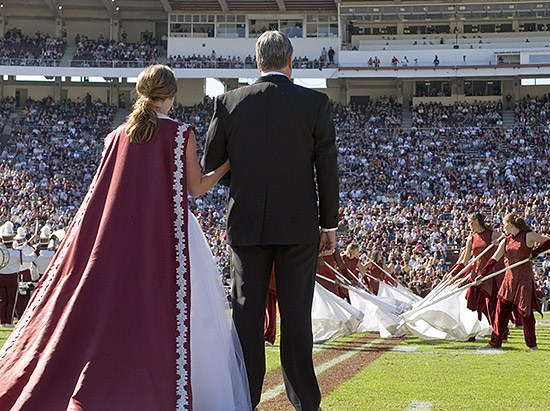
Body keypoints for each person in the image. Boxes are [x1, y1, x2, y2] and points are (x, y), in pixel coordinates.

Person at [0, 65, 251, 410]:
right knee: (184, 318)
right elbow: (196, 188)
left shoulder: (117, 135)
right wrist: (227, 164)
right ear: (172, 95)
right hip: (171, 238)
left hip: (120, 241)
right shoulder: (179, 133)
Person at [202, 31, 338, 411]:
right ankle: (305, 404)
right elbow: (327, 169)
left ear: (257, 62)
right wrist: (329, 224)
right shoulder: (314, 102)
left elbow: (212, 166)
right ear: (290, 62)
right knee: (297, 319)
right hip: (298, 225)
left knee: (246, 318)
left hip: (246, 224)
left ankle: (243, 400)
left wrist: (246, 180)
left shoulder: (229, 102)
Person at [479, 214, 550, 350]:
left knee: (525, 311)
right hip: (509, 278)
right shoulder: (506, 240)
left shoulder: (528, 236)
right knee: (501, 310)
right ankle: (495, 342)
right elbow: (494, 259)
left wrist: (535, 252)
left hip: (524, 278)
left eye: (504, 224)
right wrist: (481, 275)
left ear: (510, 224)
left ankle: (531, 344)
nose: (503, 227)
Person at [459, 213, 504, 327]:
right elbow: (464, 261)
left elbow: (506, 241)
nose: (469, 225)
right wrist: (454, 274)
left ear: (476, 221)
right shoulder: (471, 238)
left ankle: (497, 332)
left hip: (488, 275)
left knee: (490, 305)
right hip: (475, 275)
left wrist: (498, 244)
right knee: (471, 304)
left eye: (470, 222)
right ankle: (473, 331)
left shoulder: (493, 235)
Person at [0, 222, 37, 327]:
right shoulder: (16, 252)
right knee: (11, 300)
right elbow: (30, 258)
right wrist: (36, 252)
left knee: (3, 300)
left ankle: (3, 322)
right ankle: (9, 321)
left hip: (1, 276)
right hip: (12, 277)